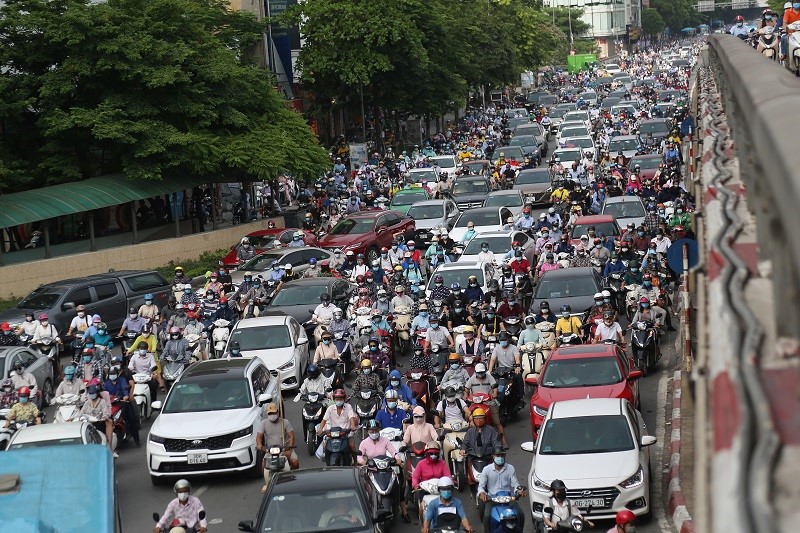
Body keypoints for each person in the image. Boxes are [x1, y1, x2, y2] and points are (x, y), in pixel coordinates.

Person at [358, 420, 410, 521]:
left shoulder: (385, 440)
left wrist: (397, 458)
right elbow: (359, 456)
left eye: (376, 430)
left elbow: (393, 451)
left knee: (398, 482)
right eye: (371, 431)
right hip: (372, 469)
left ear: (379, 430)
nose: (374, 433)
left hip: (385, 468)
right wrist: (363, 462)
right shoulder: (364, 443)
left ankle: (404, 510)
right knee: (364, 486)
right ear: (368, 432)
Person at [477, 445, 526, 531]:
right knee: (487, 517)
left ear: (505, 456)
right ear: (493, 456)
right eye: (498, 455)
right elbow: (481, 486)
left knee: (520, 514)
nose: (500, 457)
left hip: (508, 499)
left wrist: (519, 490)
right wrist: (482, 493)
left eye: (502, 455)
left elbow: (515, 484)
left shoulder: (510, 468)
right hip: (492, 499)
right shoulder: (486, 470)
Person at [257, 403, 299, 490]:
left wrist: (289, 449)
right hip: (271, 450)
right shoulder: (263, 423)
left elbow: (291, 436)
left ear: (277, 412)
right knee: (263, 466)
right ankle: (267, 483)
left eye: (273, 413)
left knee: (295, 462)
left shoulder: (285, 422)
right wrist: (259, 445)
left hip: (285, 448)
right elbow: (259, 436)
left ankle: (295, 478)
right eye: (270, 413)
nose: (272, 415)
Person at [412, 442, 452, 519]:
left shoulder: (443, 463)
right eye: (431, 453)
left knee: (450, 507)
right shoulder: (421, 464)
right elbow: (415, 477)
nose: (433, 455)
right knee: (421, 509)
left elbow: (448, 476)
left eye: (435, 453)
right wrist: (415, 485)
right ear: (426, 453)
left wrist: (450, 482)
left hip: (440, 490)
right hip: (425, 490)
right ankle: (423, 524)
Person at [103, 369, 141, 446]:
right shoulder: (107, 384)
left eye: (113, 374)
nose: (112, 376)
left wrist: (126, 396)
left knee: (131, 419)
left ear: (117, 374)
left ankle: (137, 440)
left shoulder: (122, 380)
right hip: (111, 406)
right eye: (110, 374)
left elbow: (125, 390)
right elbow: (104, 394)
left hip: (123, 404)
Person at [317, 389, 359, 459]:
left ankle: (355, 461)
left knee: (352, 446)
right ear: (334, 399)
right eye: (337, 399)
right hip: (333, 433)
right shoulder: (330, 408)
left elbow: (351, 417)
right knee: (325, 446)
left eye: (340, 399)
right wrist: (321, 429)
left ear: (344, 399)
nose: (339, 401)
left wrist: (353, 426)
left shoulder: (348, 407)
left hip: (346, 432)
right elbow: (324, 420)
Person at [487, 331, 523, 408]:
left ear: (508, 340)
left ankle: (520, 398)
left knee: (518, 376)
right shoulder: (496, 349)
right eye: (501, 340)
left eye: (504, 340)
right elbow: (493, 360)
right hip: (500, 370)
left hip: (512, 369)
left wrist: (517, 367)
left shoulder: (514, 348)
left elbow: (517, 358)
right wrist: (489, 370)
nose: (503, 342)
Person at [78, 384, 114, 455]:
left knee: (109, 423)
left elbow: (106, 412)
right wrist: (78, 417)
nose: (92, 395)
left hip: (99, 423)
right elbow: (81, 413)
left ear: (97, 393)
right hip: (89, 423)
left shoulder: (102, 402)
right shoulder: (87, 403)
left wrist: (104, 417)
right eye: (90, 393)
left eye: (93, 393)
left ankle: (109, 448)